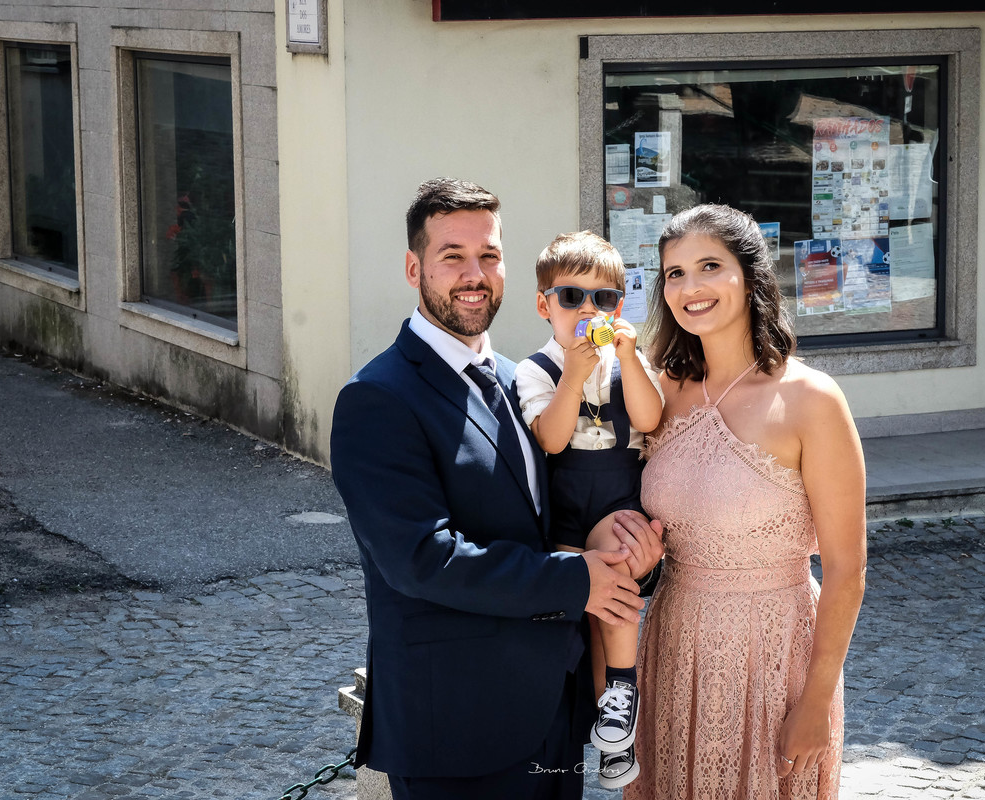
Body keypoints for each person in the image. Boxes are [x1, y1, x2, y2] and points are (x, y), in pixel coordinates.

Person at [330, 178, 661, 800]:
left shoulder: (520, 380)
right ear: (414, 268)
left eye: (489, 255)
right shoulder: (376, 398)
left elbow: (563, 514)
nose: (474, 274)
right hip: (455, 729)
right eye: (452, 256)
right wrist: (576, 579)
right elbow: (420, 559)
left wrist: (627, 551)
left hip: (553, 716)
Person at [625, 204, 867, 800]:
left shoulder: (811, 399)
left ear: (751, 276)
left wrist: (815, 701)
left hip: (774, 652)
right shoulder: (659, 389)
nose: (691, 286)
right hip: (673, 645)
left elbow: (847, 568)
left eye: (710, 266)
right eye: (675, 273)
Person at [515, 231, 664, 789]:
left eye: (602, 299)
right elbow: (551, 439)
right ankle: (609, 731)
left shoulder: (629, 361)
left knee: (616, 577)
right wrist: (573, 377)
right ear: (544, 305)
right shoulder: (535, 370)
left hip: (615, 501)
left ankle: (621, 692)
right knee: (588, 617)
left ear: (618, 308)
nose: (587, 309)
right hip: (565, 507)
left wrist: (627, 358)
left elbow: (648, 420)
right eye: (571, 297)